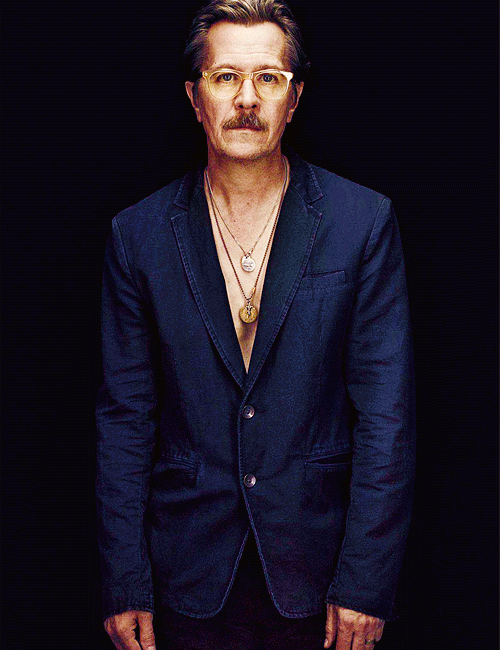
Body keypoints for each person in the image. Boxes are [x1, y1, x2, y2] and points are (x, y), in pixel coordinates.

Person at [96, 1, 416, 649]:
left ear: (294, 100)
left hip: (320, 570)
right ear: (195, 98)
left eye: (268, 78)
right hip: (183, 571)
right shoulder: (137, 234)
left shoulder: (362, 221)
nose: (247, 99)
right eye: (226, 78)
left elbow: (387, 417)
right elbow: (125, 420)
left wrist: (365, 582)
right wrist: (124, 582)